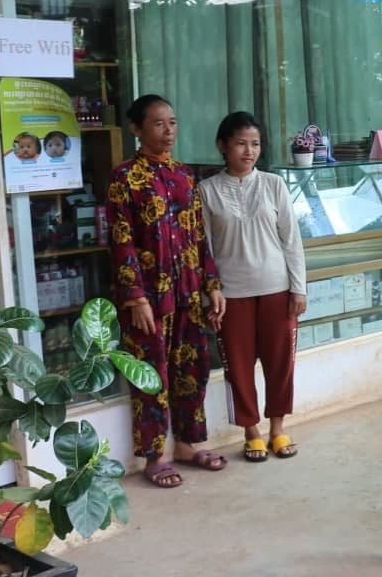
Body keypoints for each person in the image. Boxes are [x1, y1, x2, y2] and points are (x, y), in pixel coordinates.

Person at [106, 94, 228, 488]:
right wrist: (135, 296)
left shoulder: (184, 175)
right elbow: (121, 241)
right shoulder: (124, 178)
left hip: (189, 293)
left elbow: (198, 235)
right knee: (152, 374)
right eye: (159, 123)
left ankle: (189, 445)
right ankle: (154, 456)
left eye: (172, 122)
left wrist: (212, 285)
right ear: (137, 129)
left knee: (192, 368)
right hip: (150, 298)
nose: (169, 130)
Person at [199, 111, 308, 462]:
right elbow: (205, 248)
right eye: (241, 143)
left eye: (255, 144)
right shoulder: (207, 191)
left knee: (280, 364)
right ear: (223, 145)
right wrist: (209, 293)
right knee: (239, 367)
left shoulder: (274, 185)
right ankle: (251, 432)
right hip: (232, 294)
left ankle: (277, 429)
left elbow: (291, 240)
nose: (249, 151)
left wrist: (299, 287)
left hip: (277, 288)